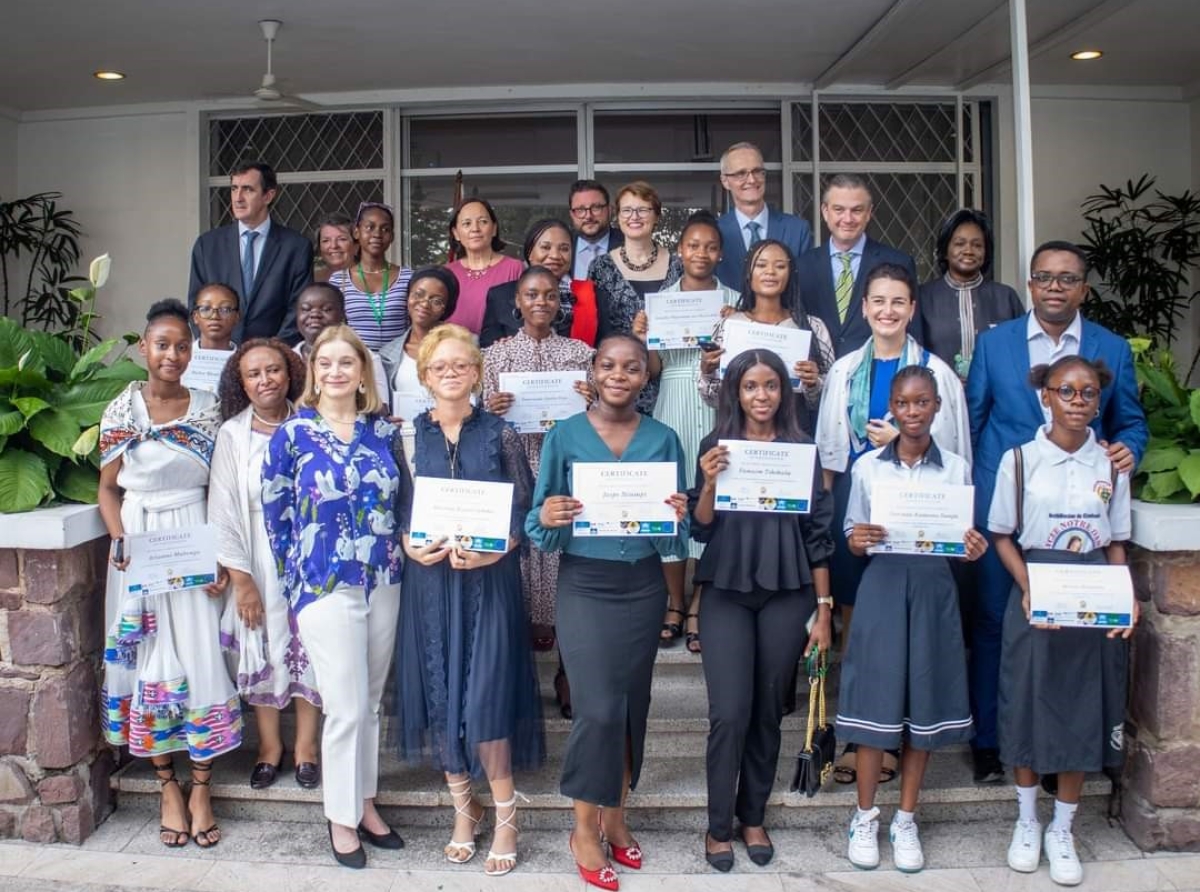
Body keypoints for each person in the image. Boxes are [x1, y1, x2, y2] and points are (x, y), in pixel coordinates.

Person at [965, 240, 1147, 785]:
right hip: (1010, 514)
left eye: (1067, 279)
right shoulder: (995, 345)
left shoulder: (1109, 349)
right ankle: (994, 740)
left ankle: (1057, 746)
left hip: (1078, 522)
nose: (1054, 287)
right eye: (1044, 277)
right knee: (999, 623)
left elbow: (1131, 422)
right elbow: (973, 423)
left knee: (1067, 631)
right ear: (1029, 284)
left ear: (1083, 289)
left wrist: (1128, 451)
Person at [527, 334, 690, 892]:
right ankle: (583, 830)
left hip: (643, 588)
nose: (619, 374)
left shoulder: (665, 439)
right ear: (592, 372)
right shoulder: (563, 436)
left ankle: (616, 817)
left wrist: (678, 513)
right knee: (596, 710)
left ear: (646, 377)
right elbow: (536, 523)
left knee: (630, 707)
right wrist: (548, 513)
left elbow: (679, 535)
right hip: (586, 586)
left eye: (632, 367)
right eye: (608, 365)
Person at [393, 324, 544, 877]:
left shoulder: (501, 433)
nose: (451, 374)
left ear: (477, 373)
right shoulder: (408, 437)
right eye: (440, 367)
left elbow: (524, 514)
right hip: (432, 584)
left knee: (485, 695)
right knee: (440, 690)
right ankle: (465, 808)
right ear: (425, 375)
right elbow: (402, 513)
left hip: (489, 581)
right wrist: (411, 546)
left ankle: (506, 814)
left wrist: (494, 552)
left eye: (461, 365)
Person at [816, 262, 969, 784]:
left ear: (912, 308)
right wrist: (829, 527)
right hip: (860, 521)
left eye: (898, 302)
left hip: (918, 526)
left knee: (911, 635)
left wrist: (899, 447)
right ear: (863, 308)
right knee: (860, 631)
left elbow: (955, 456)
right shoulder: (844, 370)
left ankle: (909, 735)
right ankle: (865, 738)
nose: (887, 311)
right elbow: (830, 456)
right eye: (877, 301)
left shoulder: (936, 374)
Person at [987, 355, 1135, 887]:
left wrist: (1126, 595)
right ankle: (1027, 821)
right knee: (1028, 702)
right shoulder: (1020, 461)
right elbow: (1001, 533)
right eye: (1066, 391)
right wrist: (1029, 588)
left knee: (1078, 707)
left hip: (1092, 594)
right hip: (1037, 591)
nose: (1078, 401)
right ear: (1044, 396)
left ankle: (1063, 827)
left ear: (1099, 400)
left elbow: (1117, 540)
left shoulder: (1110, 464)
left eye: (1088, 393)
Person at [97, 298, 241, 850]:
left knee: (201, 653)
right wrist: (120, 539)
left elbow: (222, 489)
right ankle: (166, 786)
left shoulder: (207, 408)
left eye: (182, 345)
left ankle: (201, 785)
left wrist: (220, 557)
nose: (173, 355)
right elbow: (108, 489)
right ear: (143, 347)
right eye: (163, 344)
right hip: (139, 546)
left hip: (194, 539)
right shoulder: (120, 410)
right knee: (145, 659)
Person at [261, 324, 405, 869]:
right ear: (313, 372)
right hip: (324, 584)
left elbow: (401, 504)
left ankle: (365, 802)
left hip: (383, 578)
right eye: (326, 363)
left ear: (363, 372)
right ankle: (340, 818)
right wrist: (295, 584)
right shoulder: (293, 435)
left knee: (368, 702)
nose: (337, 372)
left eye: (348, 362)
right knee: (343, 706)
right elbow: (276, 515)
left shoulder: (383, 434)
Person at [838, 366, 988, 872]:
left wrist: (972, 547)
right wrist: (856, 539)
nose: (912, 412)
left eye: (922, 403)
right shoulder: (866, 468)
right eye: (903, 403)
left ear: (937, 407)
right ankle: (864, 815)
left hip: (932, 587)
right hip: (882, 585)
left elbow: (963, 538)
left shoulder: (957, 468)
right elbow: (851, 534)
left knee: (922, 702)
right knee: (875, 700)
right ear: (892, 409)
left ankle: (906, 818)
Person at [689, 349, 834, 872]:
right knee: (729, 712)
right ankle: (717, 825)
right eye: (751, 386)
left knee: (769, 709)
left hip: (788, 589)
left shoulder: (802, 449)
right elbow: (700, 528)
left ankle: (753, 816)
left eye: (770, 386)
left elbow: (818, 536)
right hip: (726, 590)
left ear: (784, 391)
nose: (762, 396)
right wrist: (707, 482)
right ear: (735, 391)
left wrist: (823, 608)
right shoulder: (716, 445)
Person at [209, 337, 321, 792]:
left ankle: (307, 749)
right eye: (253, 374)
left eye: (273, 370)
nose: (265, 380)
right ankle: (270, 748)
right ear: (241, 383)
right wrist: (242, 579)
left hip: (310, 556)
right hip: (256, 553)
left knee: (311, 650)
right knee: (263, 648)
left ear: (290, 372)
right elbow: (223, 508)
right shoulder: (232, 434)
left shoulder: (314, 424)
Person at [631, 212, 739, 652]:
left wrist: (738, 324)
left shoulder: (735, 300)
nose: (702, 253)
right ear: (680, 250)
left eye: (710, 246)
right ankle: (674, 601)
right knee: (673, 499)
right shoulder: (662, 300)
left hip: (720, 407)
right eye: (693, 245)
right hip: (673, 399)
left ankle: (700, 603)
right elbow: (653, 372)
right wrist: (644, 339)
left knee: (715, 497)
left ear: (721, 253)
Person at [482, 266, 594, 656]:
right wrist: (489, 407)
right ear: (517, 301)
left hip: (565, 464)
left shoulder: (581, 354)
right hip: (514, 463)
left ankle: (567, 650)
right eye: (531, 294)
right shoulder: (495, 356)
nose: (541, 302)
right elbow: (478, 419)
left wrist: (591, 399)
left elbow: (600, 415)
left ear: (560, 300)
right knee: (523, 549)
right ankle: (526, 627)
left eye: (549, 294)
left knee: (563, 547)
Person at [698, 239, 836, 433]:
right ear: (748, 273)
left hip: (795, 436)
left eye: (780, 266)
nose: (770, 272)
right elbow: (712, 400)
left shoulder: (813, 327)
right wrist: (707, 371)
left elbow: (832, 400)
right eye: (761, 265)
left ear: (790, 274)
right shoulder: (727, 327)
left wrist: (815, 383)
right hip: (738, 437)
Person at [188, 160, 313, 344]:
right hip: (219, 357)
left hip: (273, 360)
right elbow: (196, 305)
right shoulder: (207, 245)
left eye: (247, 189)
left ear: (268, 196)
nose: (238, 197)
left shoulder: (296, 247)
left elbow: (299, 308)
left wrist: (273, 351)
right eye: (234, 188)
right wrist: (214, 348)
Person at [795, 174, 919, 357]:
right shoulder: (802, 266)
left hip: (877, 373)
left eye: (857, 210)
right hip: (816, 377)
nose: (848, 218)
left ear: (869, 213)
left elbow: (913, 330)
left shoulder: (898, 262)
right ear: (825, 211)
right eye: (839, 209)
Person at [591, 182, 683, 415]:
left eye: (643, 210)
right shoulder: (600, 267)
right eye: (627, 210)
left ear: (656, 216)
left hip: (670, 379)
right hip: (618, 381)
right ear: (618, 216)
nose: (635, 216)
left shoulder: (678, 265)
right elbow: (594, 327)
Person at [918, 209, 1024, 378]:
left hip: (995, 398)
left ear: (986, 252)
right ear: (945, 250)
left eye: (977, 245)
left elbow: (1021, 353)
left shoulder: (1005, 297)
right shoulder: (923, 297)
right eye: (960, 243)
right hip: (939, 396)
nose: (968, 250)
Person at [480, 218, 600, 348]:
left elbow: (605, 348)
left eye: (564, 249)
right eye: (546, 247)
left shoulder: (594, 295)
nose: (555, 255)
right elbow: (487, 347)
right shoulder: (500, 296)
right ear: (529, 253)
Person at [714, 142, 812, 288]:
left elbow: (806, 287)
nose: (752, 180)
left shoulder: (797, 229)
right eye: (741, 173)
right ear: (725, 181)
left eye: (757, 171)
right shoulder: (714, 232)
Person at [330, 202, 413, 350]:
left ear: (392, 236)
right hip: (358, 366)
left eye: (385, 229)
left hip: (397, 364)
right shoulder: (339, 280)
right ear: (356, 232)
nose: (377, 234)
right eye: (370, 227)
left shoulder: (408, 278)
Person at [292, 282, 388, 406]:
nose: (315, 314)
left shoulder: (366, 357)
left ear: (342, 315)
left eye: (326, 309)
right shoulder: (285, 359)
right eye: (306, 309)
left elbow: (381, 408)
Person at [445, 197, 524, 335]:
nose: (475, 229)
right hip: (457, 352)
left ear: (494, 229)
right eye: (467, 223)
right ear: (456, 233)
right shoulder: (447, 273)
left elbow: (522, 318)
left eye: (483, 222)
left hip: (500, 351)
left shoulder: (514, 268)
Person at [378, 267, 459, 401]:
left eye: (436, 301)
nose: (425, 304)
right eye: (418, 294)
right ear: (408, 297)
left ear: (446, 308)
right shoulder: (387, 354)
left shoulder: (466, 346)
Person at [569, 179, 625, 281]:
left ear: (609, 210)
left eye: (596, 208)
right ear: (572, 215)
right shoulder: (563, 245)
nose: (588, 216)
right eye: (580, 210)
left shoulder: (628, 243)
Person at [191, 284, 241, 351]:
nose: (215, 316)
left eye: (225, 310)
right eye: (206, 309)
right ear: (195, 317)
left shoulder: (245, 360)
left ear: (237, 317)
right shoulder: (182, 359)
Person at [314, 214, 356, 282]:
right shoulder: (313, 280)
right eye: (326, 240)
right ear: (319, 248)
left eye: (342, 239)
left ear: (356, 245)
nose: (334, 246)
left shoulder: (371, 279)